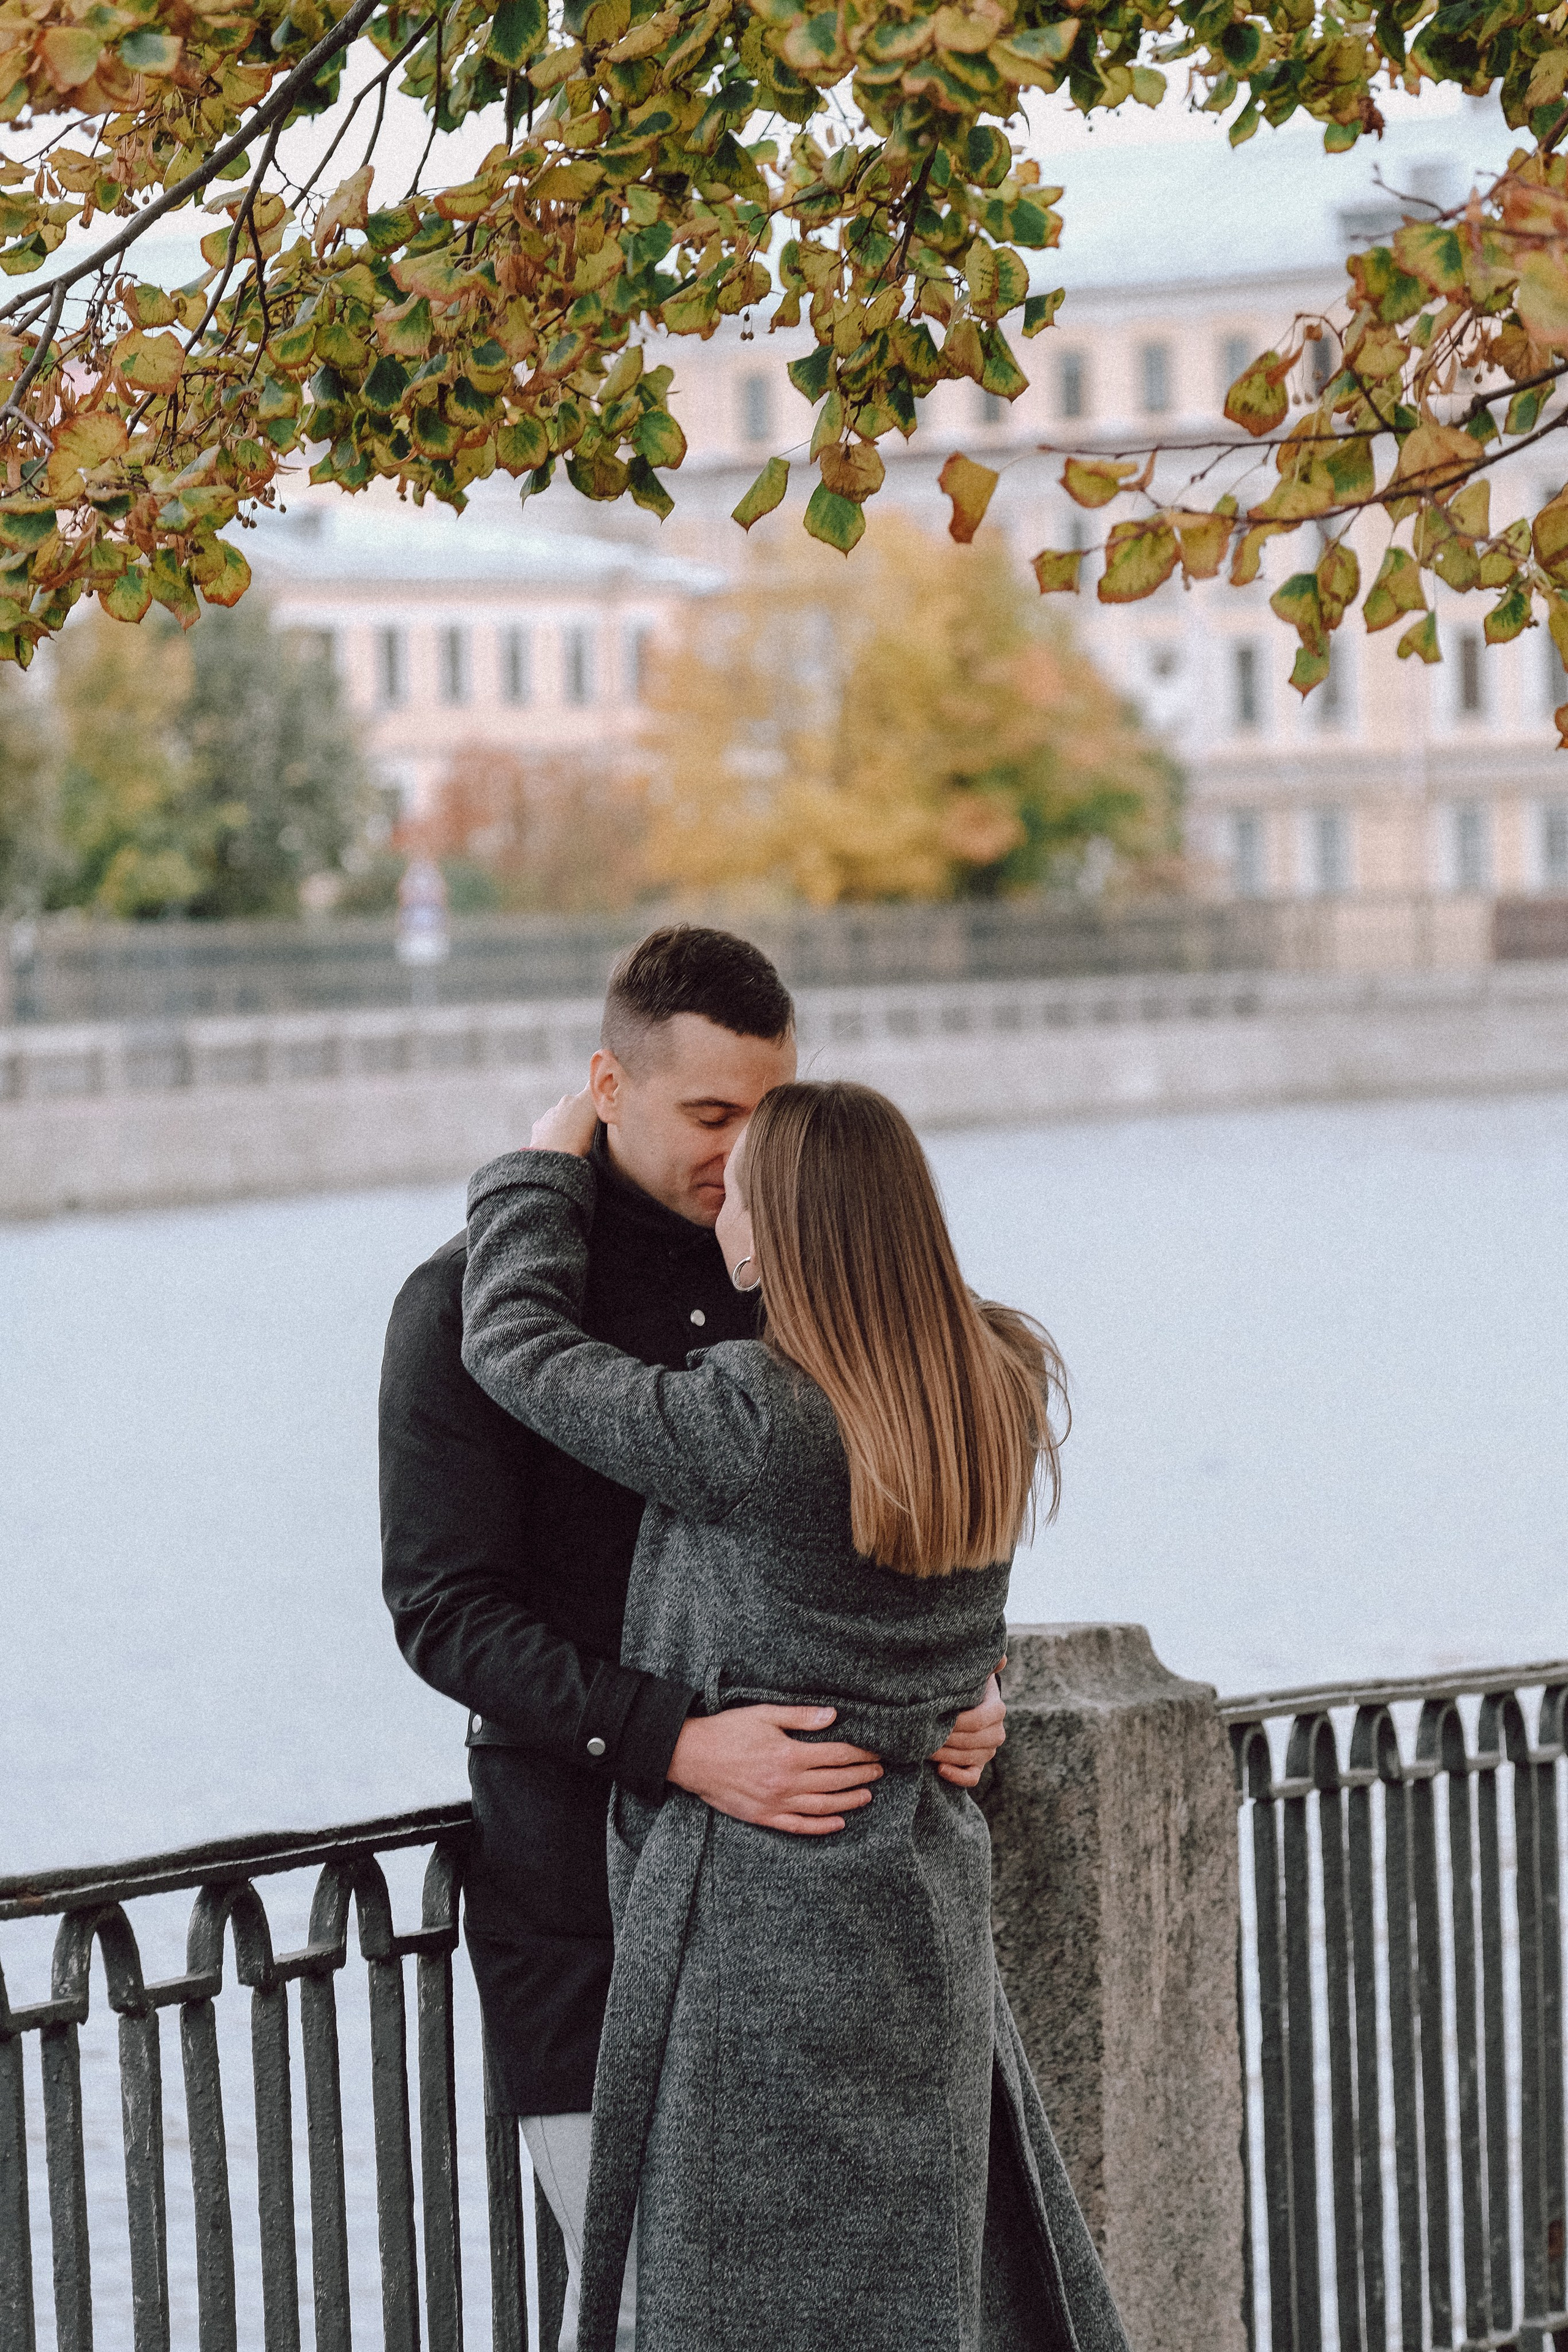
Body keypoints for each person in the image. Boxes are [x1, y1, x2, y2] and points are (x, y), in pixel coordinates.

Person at [379, 927, 1008, 2342]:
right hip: (588, 1907)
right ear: (611, 1084)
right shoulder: (465, 1304)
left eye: (766, 1118)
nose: (741, 1154)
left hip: (838, 1931)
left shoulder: (820, 1285)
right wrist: (678, 1746)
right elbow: (444, 1613)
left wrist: (966, 1681)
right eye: (710, 1116)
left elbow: (922, 1515)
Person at [459, 1076, 1131, 2352]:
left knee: (744, 2304)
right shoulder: (996, 1377)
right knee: (913, 2294)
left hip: (763, 1926)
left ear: (774, 1233)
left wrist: (539, 1171)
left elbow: (515, 1350)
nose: (720, 1206)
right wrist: (960, 1698)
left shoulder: (751, 1418)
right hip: (922, 1908)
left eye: (741, 1189)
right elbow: (939, 1610)